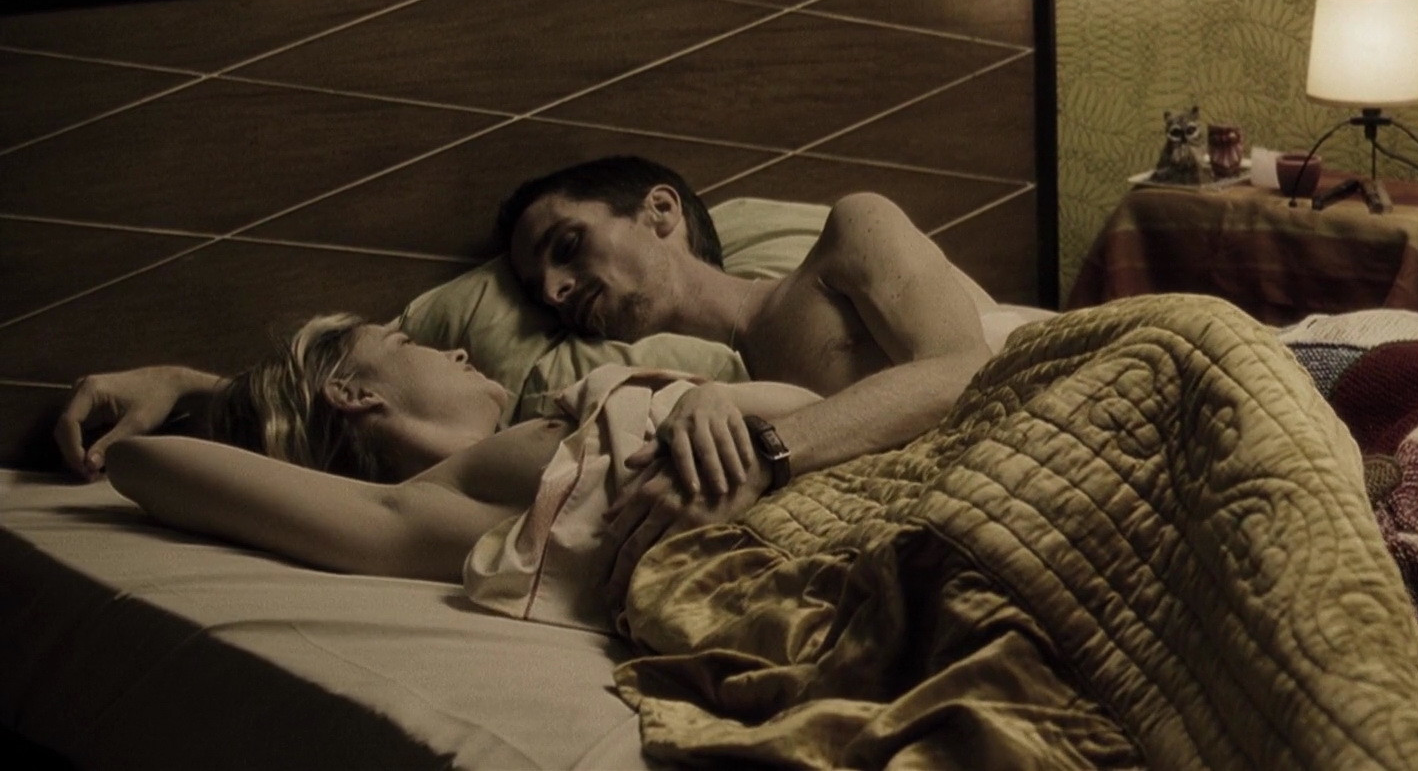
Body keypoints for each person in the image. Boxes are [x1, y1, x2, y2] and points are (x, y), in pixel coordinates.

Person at [60, 155, 1049, 518]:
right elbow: (360, 403)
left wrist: (774, 448)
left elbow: (965, 373)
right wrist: (195, 382)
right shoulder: (649, 389)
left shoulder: (848, 234)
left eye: (568, 248)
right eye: (542, 286)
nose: (561, 290)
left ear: (660, 211)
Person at [102, 313, 821, 582]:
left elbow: (818, 412)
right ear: (352, 394)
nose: (453, 350)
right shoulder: (428, 510)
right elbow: (142, 465)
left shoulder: (558, 417)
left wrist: (711, 400)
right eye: (406, 343)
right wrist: (184, 383)